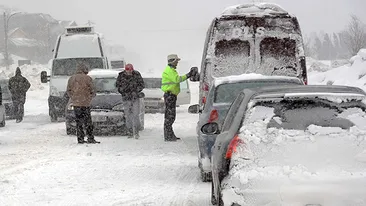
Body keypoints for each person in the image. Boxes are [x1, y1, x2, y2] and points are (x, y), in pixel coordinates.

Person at [161, 54, 195, 141]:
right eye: (176, 61)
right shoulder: (169, 71)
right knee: (170, 116)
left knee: (170, 116)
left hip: (171, 95)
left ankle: (170, 135)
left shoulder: (171, 70)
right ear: (172, 61)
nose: (177, 63)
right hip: (170, 95)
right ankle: (168, 136)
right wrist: (188, 75)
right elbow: (177, 79)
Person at [66, 64, 100, 144]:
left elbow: (68, 90)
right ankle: (90, 137)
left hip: (76, 104)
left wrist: (73, 97)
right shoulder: (88, 78)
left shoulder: (72, 78)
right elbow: (93, 90)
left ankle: (80, 138)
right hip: (86, 103)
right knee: (88, 122)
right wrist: (90, 97)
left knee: (79, 122)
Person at [115, 63, 145, 139]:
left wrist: (136, 91)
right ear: (125, 70)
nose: (129, 72)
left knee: (136, 115)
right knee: (128, 115)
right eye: (128, 71)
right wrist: (123, 91)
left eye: (131, 71)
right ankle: (130, 131)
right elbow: (117, 86)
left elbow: (142, 85)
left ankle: (136, 131)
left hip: (135, 98)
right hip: (126, 98)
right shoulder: (121, 76)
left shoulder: (137, 74)